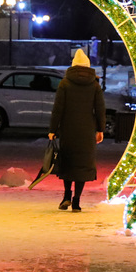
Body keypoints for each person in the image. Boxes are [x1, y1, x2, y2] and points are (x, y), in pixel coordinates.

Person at [49, 48, 105, 211]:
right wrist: (100, 129)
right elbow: (100, 109)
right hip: (87, 130)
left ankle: (66, 196)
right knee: (82, 164)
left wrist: (53, 129)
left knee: (68, 162)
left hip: (68, 129)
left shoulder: (65, 83)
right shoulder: (94, 85)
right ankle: (76, 201)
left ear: (73, 66)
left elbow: (58, 108)